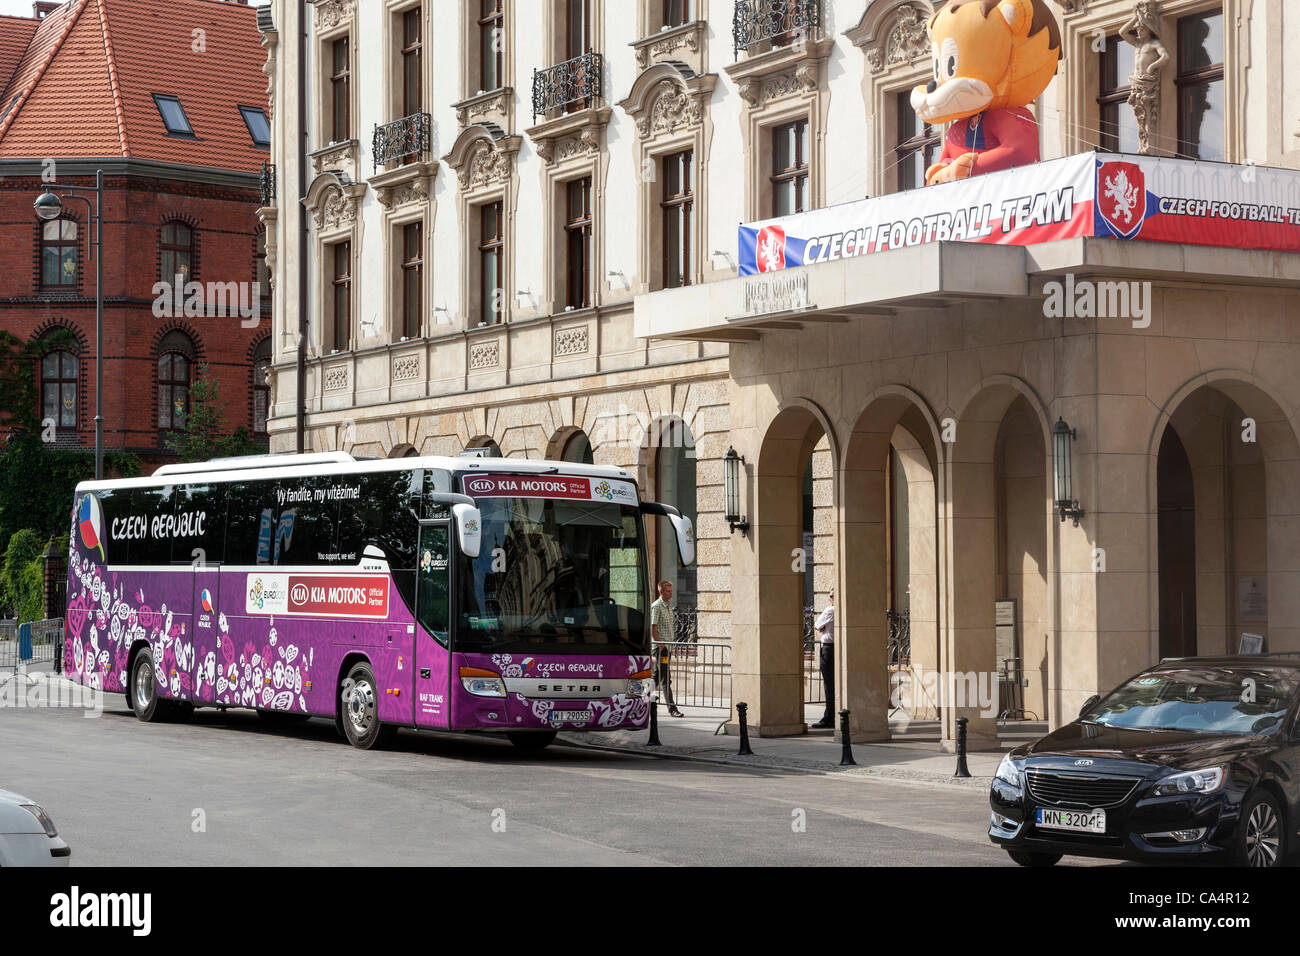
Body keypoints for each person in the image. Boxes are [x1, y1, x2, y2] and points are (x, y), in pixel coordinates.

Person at [650, 580, 683, 717]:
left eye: (671, 591)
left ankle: (639, 698)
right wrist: (661, 644)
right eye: (668, 591)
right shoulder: (656, 606)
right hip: (660, 648)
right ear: (661, 591)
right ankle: (672, 708)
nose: (671, 594)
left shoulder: (668, 606)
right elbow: (653, 628)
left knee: (656, 676)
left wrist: (669, 645)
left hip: (667, 647)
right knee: (665, 677)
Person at [812, 589, 835, 728]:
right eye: (829, 596)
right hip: (836, 648)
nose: (830, 598)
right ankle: (833, 715)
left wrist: (823, 627)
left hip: (828, 648)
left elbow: (816, 625)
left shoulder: (830, 610)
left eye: (832, 596)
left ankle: (829, 717)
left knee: (829, 684)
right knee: (834, 684)